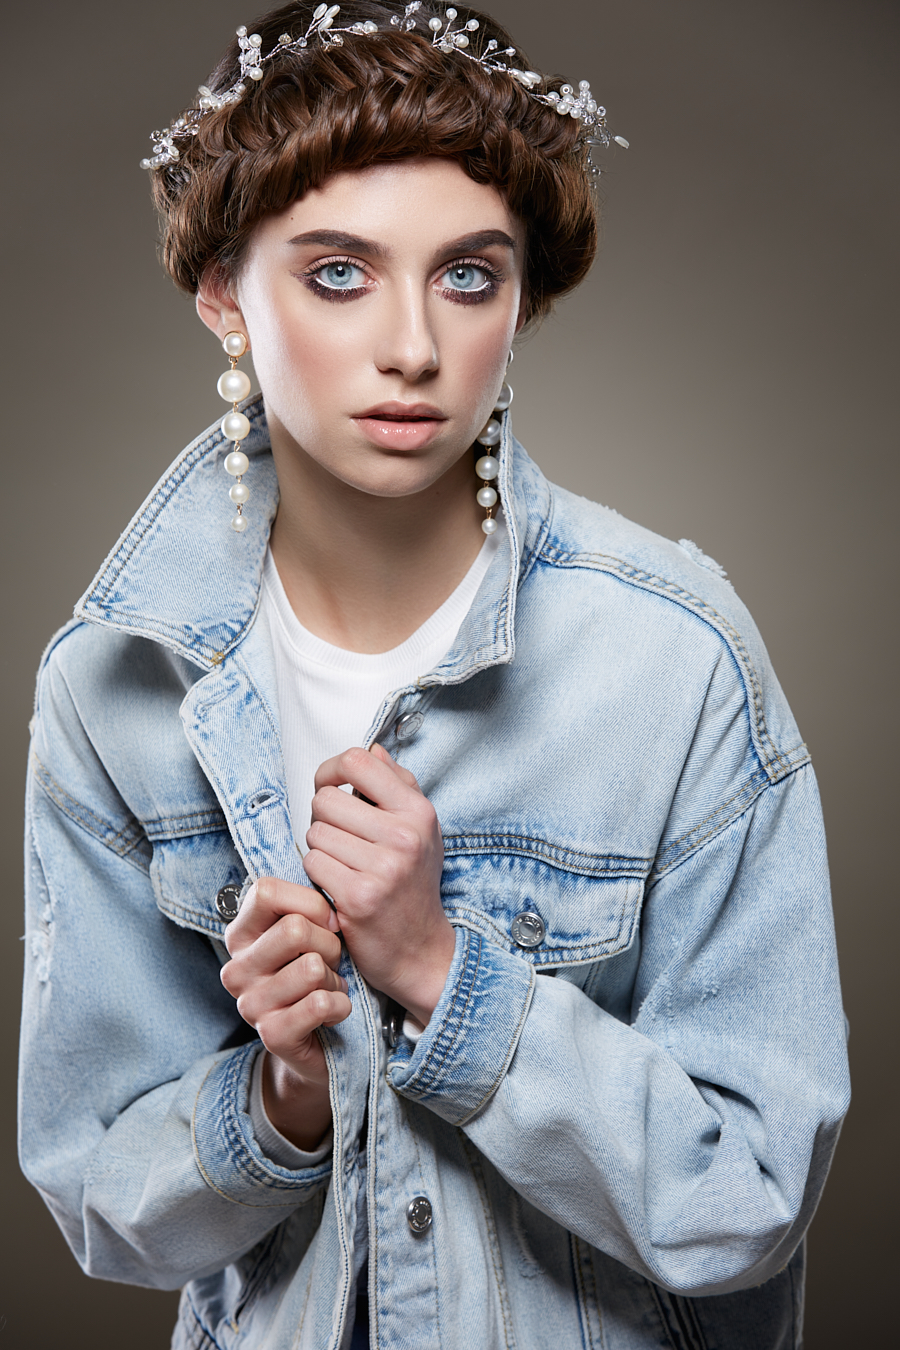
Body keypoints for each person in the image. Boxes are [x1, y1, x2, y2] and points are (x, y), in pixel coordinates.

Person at [18, 2, 850, 1347]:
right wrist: (281, 1100)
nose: (412, 345)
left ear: (521, 298)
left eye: (467, 275)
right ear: (224, 295)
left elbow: (745, 1197)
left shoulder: (676, 659)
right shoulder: (114, 689)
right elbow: (101, 1196)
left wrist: (444, 971)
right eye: (338, 273)